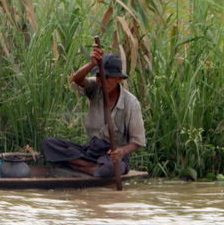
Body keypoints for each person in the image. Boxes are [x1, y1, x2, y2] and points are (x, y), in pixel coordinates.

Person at [42, 45, 146, 177]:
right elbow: (77, 79)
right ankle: (90, 167)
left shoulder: (131, 103)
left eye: (106, 77)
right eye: (98, 76)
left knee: (112, 168)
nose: (101, 81)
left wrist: (121, 151)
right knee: (49, 144)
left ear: (119, 79)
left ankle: (79, 166)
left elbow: (137, 142)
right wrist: (92, 64)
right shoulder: (96, 87)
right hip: (90, 151)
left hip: (111, 156)